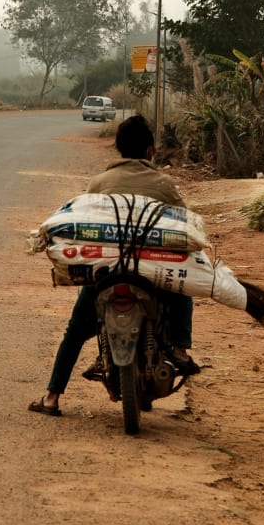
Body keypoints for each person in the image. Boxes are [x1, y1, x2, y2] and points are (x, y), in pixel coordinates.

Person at [29, 115, 199, 417]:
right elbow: (183, 225)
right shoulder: (163, 184)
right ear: (150, 151)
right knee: (183, 290)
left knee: (75, 331)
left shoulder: (99, 183)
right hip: (153, 274)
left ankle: (52, 398)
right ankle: (180, 349)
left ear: (119, 149)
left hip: (107, 273)